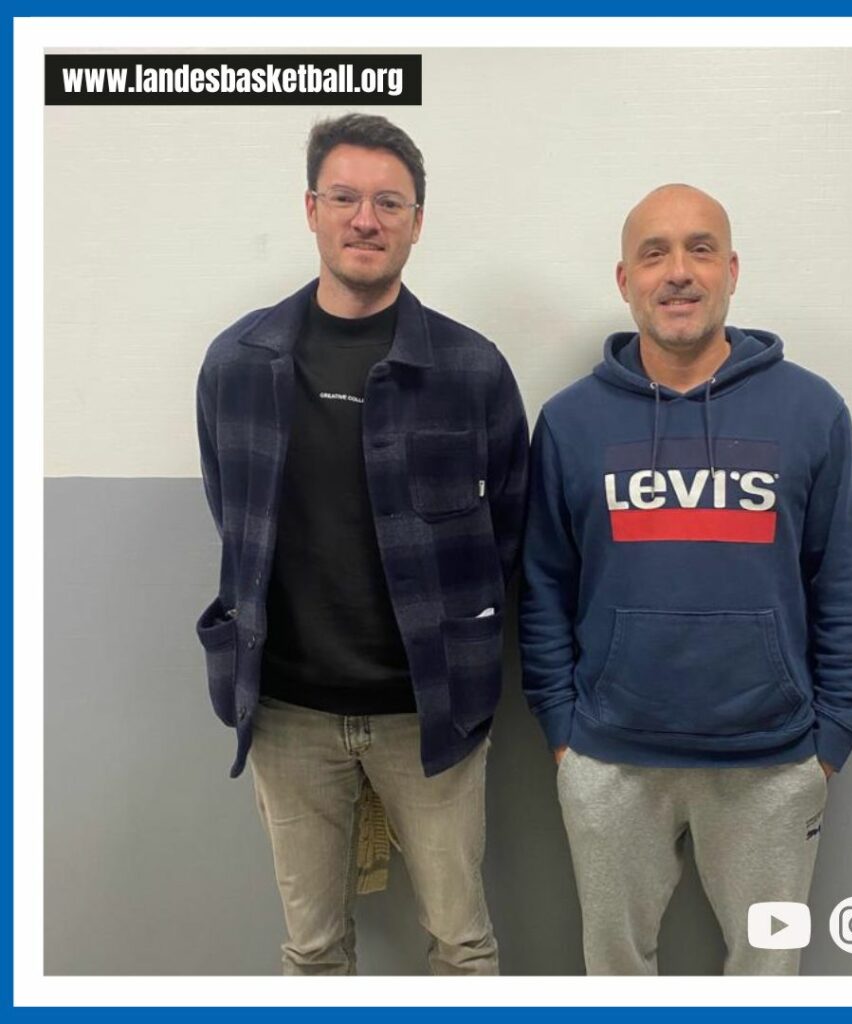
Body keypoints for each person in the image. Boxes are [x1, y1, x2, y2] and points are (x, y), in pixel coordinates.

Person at [519, 183, 852, 976]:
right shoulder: (571, 422)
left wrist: (832, 738)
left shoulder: (811, 410)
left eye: (700, 249)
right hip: (609, 759)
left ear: (732, 271)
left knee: (766, 980)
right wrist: (563, 733)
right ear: (626, 280)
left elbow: (845, 583)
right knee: (616, 977)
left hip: (773, 763)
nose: (678, 271)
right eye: (654, 253)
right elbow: (543, 584)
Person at [195, 114, 528, 975]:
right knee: (312, 951)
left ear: (417, 222)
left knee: (462, 942)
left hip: (432, 713)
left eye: (390, 203)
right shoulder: (237, 363)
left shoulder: (472, 369)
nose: (366, 220)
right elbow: (234, 513)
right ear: (312, 209)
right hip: (287, 714)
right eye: (345, 198)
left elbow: (508, 532)